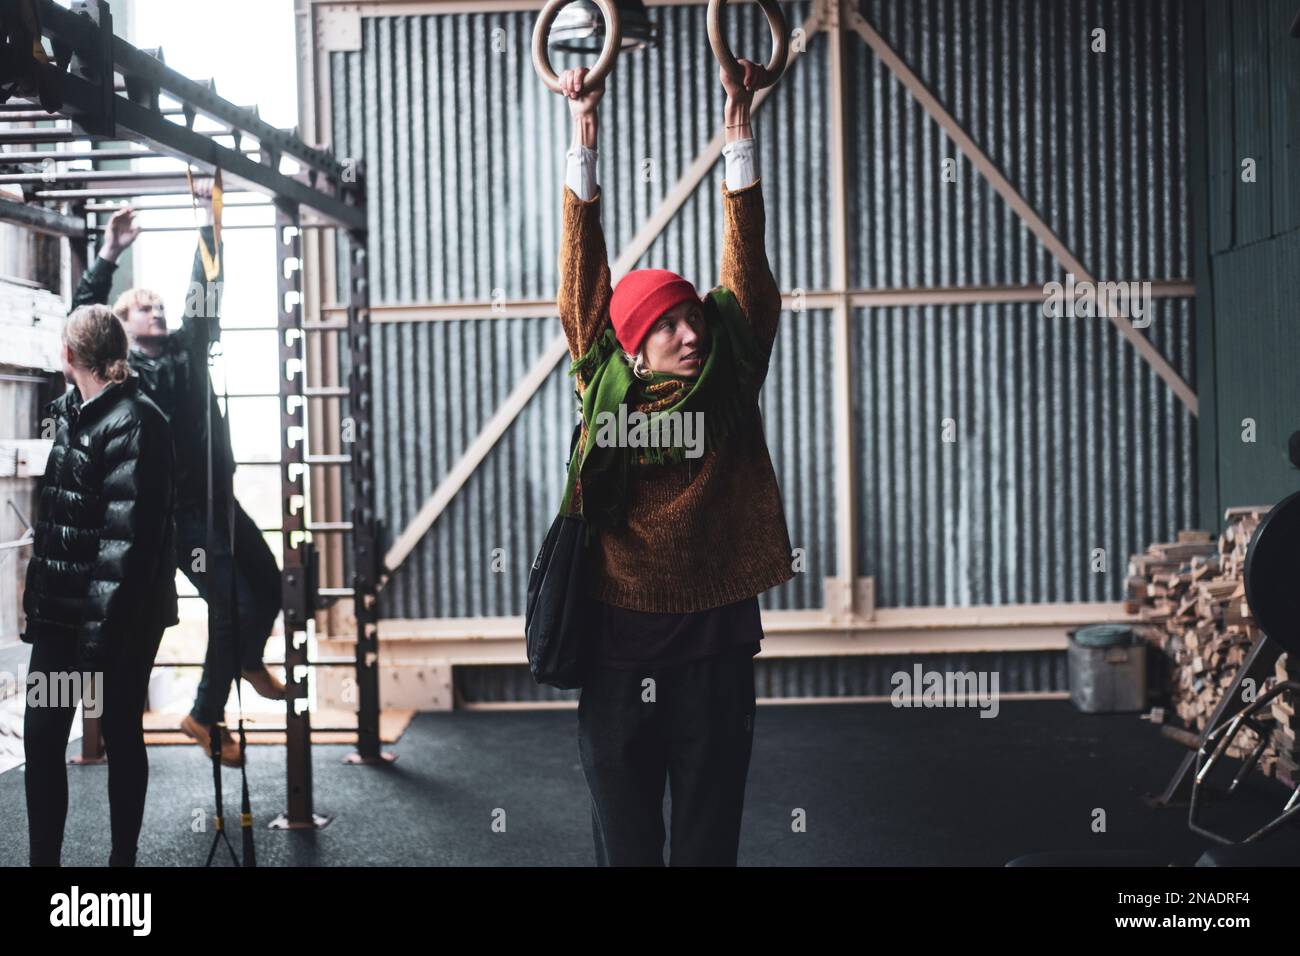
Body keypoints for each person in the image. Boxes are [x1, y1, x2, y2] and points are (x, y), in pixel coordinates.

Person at [556, 58, 794, 866]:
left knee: (706, 840)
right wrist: (583, 133)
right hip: (618, 652)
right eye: (669, 325)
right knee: (626, 844)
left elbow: (748, 279)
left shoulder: (730, 378)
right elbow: (583, 283)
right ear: (631, 344)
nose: (690, 333)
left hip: (714, 649)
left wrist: (738, 130)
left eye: (694, 317)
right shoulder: (602, 381)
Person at [71, 178, 284, 768]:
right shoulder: (122, 374)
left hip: (222, 498)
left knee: (269, 584)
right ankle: (205, 714)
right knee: (231, 604)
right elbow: (80, 319)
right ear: (122, 325)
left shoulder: (190, 350)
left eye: (159, 306)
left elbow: (204, 286)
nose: (158, 311)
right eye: (144, 307)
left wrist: (208, 218)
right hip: (179, 515)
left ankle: (243, 661)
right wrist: (110, 254)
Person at [21, 304, 177, 866]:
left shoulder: (140, 422)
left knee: (119, 730)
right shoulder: (67, 413)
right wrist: (41, 611)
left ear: (67, 356)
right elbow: (60, 526)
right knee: (41, 739)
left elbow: (127, 547)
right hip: (63, 618)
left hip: (123, 621)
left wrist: (97, 642)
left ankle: (122, 865)